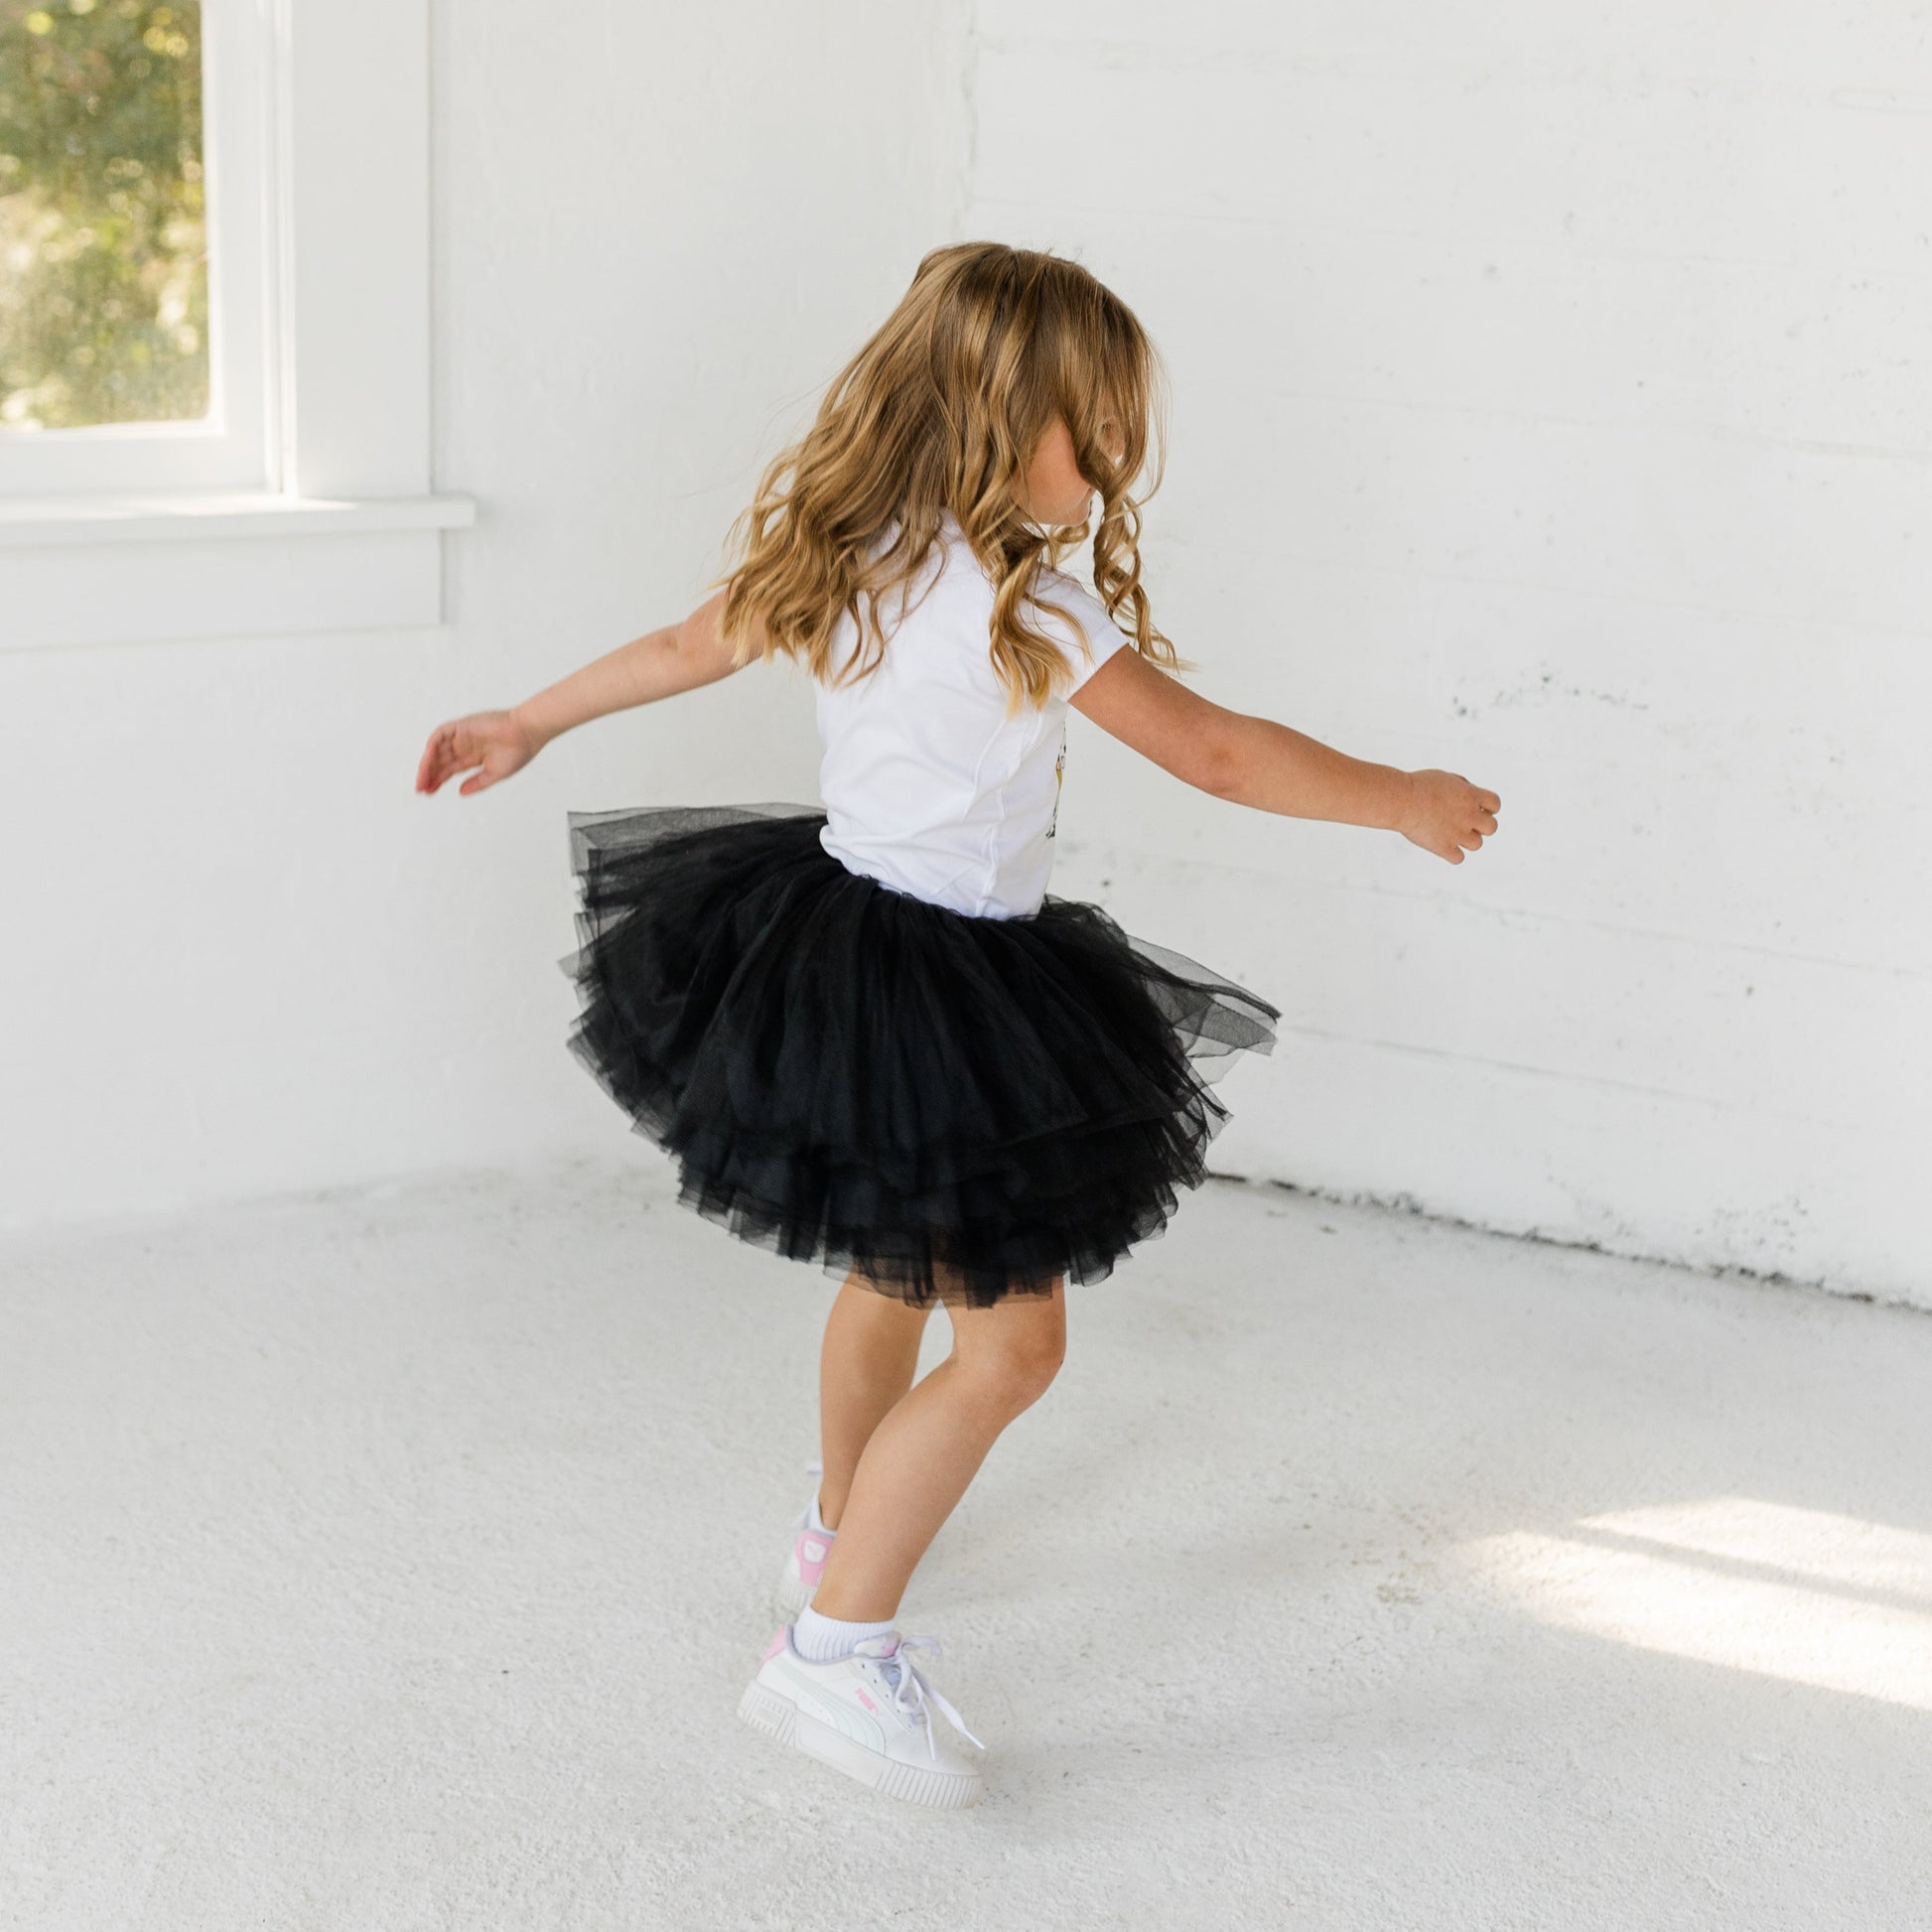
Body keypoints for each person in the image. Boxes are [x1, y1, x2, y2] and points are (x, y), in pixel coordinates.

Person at [414, 241, 1500, 1811]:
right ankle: (833, 1649)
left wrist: (527, 717)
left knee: (885, 1276)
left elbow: (678, 648)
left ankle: (832, 1530)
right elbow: (1211, 753)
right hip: (947, 998)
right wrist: (1395, 796)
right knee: (1012, 1344)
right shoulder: (1028, 600)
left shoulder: (846, 551)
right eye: (1090, 429)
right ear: (998, 419)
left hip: (833, 963)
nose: (1110, 463)